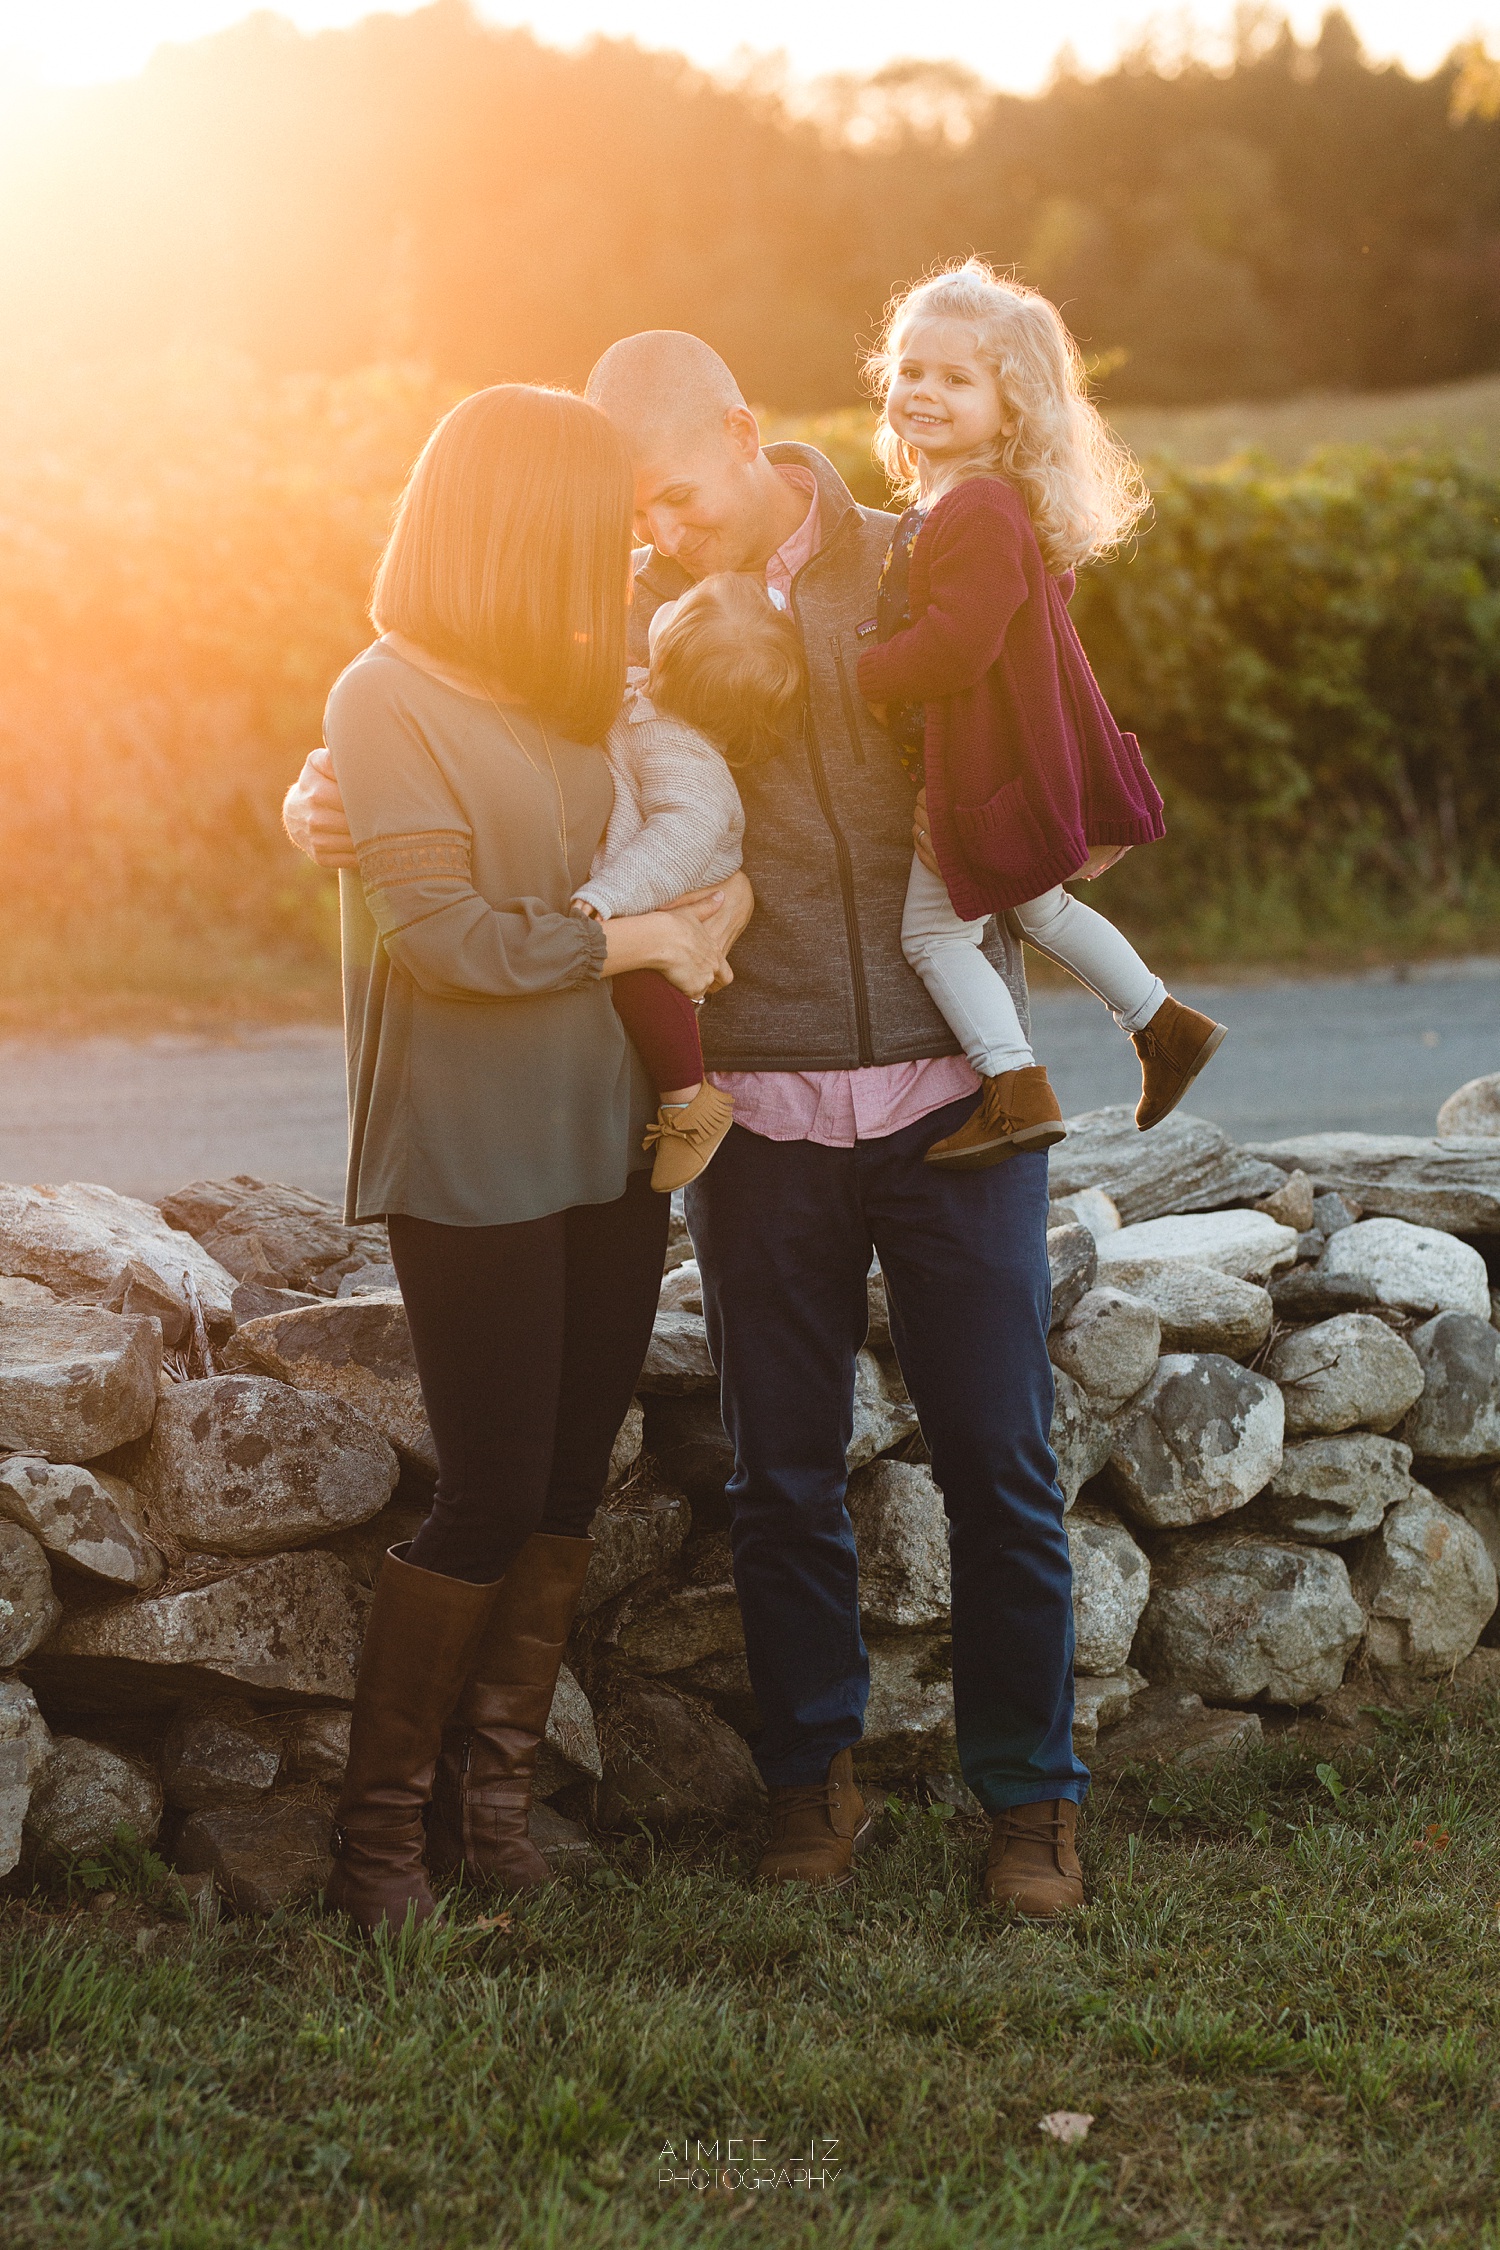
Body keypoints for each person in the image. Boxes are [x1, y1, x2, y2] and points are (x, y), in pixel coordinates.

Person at [286, 332, 1089, 1919]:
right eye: (623, 516)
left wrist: (1076, 846)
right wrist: (324, 794)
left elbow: (1052, 736)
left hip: (942, 1094)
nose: (649, 538)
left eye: (659, 500)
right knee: (773, 1478)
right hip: (749, 1119)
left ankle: (1032, 1806)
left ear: (741, 432)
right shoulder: (627, 641)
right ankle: (796, 1789)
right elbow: (468, 785)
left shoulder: (932, 564)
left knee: (1000, 1462)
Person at [318, 382, 748, 1935]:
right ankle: (379, 1847)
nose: (631, 553)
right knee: (491, 1483)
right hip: (474, 1138)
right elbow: (442, 940)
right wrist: (637, 932)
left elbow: (687, 830)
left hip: (605, 1129)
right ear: (524, 527)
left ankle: (492, 1806)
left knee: (571, 1471)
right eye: (605, 526)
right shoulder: (385, 696)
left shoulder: (575, 692)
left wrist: (705, 906)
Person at [859, 260, 1226, 1170]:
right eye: (910, 371)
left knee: (933, 934)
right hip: (994, 758)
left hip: (979, 769)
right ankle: (1165, 1025)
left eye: (956, 378)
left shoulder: (977, 505)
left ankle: (1014, 1086)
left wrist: (856, 671)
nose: (924, 392)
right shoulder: (959, 502)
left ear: (1011, 405)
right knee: (1043, 909)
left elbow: (957, 647)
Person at [574, 570, 806, 1191]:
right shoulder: (642, 698)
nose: (662, 601)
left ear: (669, 650)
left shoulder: (682, 751)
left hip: (675, 881)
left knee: (643, 982)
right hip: (649, 881)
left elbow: (680, 839)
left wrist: (606, 899)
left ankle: (689, 1104)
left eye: (674, 608)